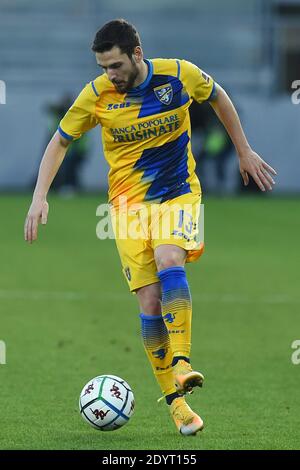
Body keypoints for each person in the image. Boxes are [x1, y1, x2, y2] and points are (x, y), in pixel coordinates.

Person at [24, 19, 277, 436]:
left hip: (178, 193)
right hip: (126, 208)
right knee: (149, 304)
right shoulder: (97, 95)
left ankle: (182, 362)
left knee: (169, 256)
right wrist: (39, 196)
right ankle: (178, 406)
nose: (111, 74)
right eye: (104, 67)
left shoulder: (178, 74)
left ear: (137, 54)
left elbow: (218, 97)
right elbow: (60, 140)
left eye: (116, 65)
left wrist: (243, 150)